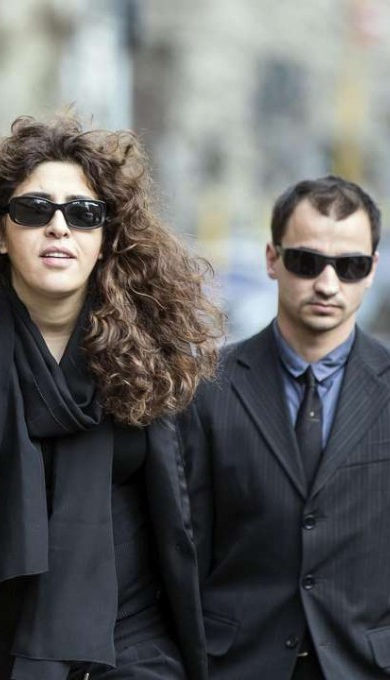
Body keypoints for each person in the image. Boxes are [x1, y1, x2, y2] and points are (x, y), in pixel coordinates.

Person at [0, 115, 224, 680]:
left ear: (106, 239)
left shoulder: (161, 361)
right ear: (1, 234)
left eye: (83, 214)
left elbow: (186, 512)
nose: (59, 228)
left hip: (125, 647)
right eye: (34, 210)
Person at [180, 176, 388, 680]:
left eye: (350, 266)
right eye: (306, 261)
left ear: (372, 271)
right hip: (236, 665)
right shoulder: (207, 389)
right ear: (272, 259)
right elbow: (181, 549)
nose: (327, 283)